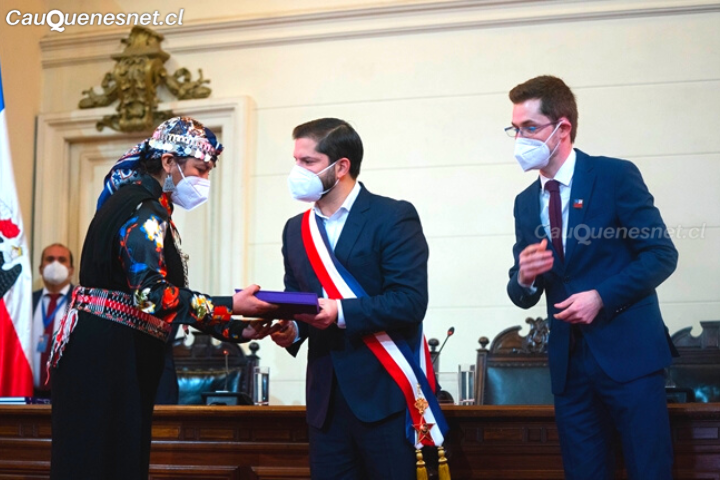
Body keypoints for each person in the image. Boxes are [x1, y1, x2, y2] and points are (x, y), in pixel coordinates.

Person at [49, 117, 277, 480]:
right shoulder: (143, 208)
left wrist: (236, 330)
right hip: (110, 357)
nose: (204, 180)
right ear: (169, 161)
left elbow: (163, 298)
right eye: (200, 169)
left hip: (112, 351)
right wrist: (232, 305)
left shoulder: (137, 202)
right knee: (105, 464)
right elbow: (152, 295)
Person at [505, 76, 678, 479]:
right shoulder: (525, 202)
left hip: (630, 357)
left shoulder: (614, 176)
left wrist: (601, 296)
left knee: (649, 470)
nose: (520, 139)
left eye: (529, 128)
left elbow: (661, 255)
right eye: (514, 129)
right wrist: (525, 277)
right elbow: (521, 290)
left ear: (562, 128)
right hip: (570, 368)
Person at [270, 118, 448, 480]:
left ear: (341, 167)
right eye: (296, 161)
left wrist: (340, 311)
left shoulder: (392, 216)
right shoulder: (295, 229)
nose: (297, 171)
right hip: (325, 403)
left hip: (385, 396)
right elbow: (297, 298)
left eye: (308, 162)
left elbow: (409, 301)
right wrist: (292, 329)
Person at [31, 243, 74, 398]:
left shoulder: (81, 304)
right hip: (29, 394)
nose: (55, 265)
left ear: (71, 269)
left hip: (68, 396)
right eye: (50, 259)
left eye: (62, 260)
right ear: (40, 269)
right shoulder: (27, 302)